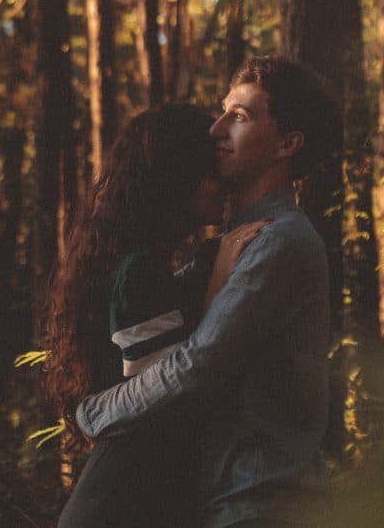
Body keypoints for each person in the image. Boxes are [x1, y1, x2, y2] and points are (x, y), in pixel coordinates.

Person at [77, 56, 338, 527]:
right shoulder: (226, 244)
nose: (217, 129)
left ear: (287, 143)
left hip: (261, 504)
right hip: (216, 501)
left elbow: (195, 366)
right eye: (223, 111)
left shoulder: (280, 242)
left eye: (240, 116)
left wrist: (96, 413)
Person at [43, 104, 269, 527]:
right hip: (122, 502)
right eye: (210, 169)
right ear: (178, 175)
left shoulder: (150, 265)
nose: (222, 184)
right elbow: (169, 391)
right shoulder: (138, 271)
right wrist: (220, 279)